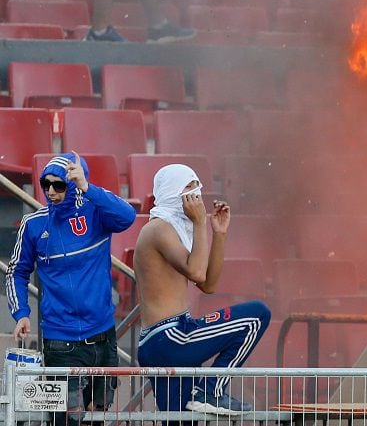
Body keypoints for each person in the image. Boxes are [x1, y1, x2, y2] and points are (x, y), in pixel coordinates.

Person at [6, 152, 137, 425]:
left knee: (100, 416)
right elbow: (17, 271)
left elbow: (128, 216)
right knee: (67, 421)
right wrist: (21, 312)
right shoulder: (33, 225)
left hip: (103, 338)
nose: (51, 191)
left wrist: (89, 189)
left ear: (74, 184)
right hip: (59, 342)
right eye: (46, 184)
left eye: (59, 185)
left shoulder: (96, 211)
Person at [133, 164, 270, 416]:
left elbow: (208, 284)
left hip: (169, 339)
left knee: (179, 420)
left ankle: (205, 393)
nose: (196, 193)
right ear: (171, 191)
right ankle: (211, 391)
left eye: (197, 185)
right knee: (256, 316)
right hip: (168, 337)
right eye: (188, 187)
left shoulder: (175, 229)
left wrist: (218, 234)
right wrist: (198, 222)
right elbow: (196, 272)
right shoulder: (157, 229)